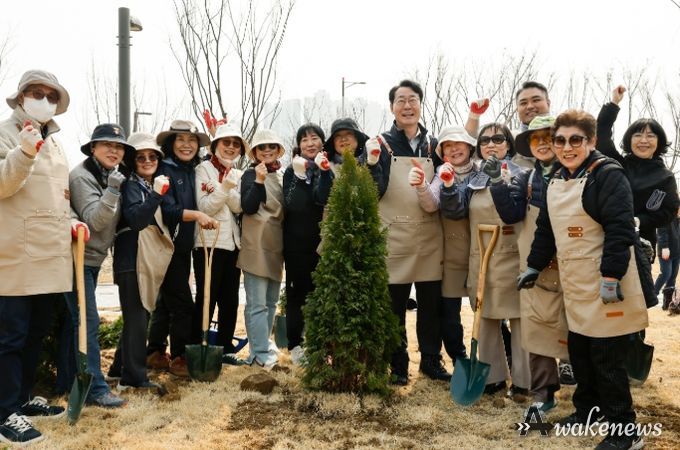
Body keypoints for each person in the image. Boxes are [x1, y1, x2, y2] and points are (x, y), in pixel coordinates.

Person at [519, 109, 648, 450]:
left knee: (606, 360)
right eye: (560, 140)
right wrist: (533, 266)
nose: (566, 147)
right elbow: (546, 229)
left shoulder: (607, 175)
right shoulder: (556, 179)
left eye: (575, 140)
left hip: (607, 283)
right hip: (575, 284)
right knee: (580, 354)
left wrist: (611, 276)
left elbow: (620, 229)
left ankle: (626, 433)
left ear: (591, 141)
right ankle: (589, 411)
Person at [0, 70, 84, 445]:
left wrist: (72, 220)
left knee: (35, 334)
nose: (45, 101)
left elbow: (57, 197)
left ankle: (21, 399)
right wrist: (23, 152)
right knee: (10, 338)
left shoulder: (56, 143)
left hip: (50, 254)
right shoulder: (6, 133)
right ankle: (4, 412)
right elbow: (3, 184)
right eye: (37, 93)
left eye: (52, 96)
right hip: (14, 255)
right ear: (21, 97)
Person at [365, 79, 448, 385]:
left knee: (431, 306)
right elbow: (371, 191)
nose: (407, 106)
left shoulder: (434, 146)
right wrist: (371, 163)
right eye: (400, 100)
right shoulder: (379, 144)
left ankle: (431, 360)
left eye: (413, 99)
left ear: (420, 105)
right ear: (392, 108)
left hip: (429, 237)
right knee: (393, 307)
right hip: (393, 236)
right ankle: (398, 364)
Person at [440, 122, 531, 400]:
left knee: (519, 318)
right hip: (482, 258)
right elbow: (456, 211)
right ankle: (492, 378)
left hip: (513, 257)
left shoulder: (522, 175)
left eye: (498, 139)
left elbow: (519, 213)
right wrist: (448, 187)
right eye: (485, 140)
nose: (491, 144)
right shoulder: (474, 179)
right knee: (486, 318)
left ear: (509, 144)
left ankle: (524, 380)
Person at [491, 115, 568, 412]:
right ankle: (544, 393)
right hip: (537, 261)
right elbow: (511, 215)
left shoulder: (579, 173)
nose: (543, 144)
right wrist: (497, 183)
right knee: (537, 323)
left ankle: (589, 391)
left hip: (574, 261)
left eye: (549, 137)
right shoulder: (526, 178)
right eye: (536, 139)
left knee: (580, 323)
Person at [68, 123, 135, 407]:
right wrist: (113, 190)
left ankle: (70, 381)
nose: (114, 150)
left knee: (75, 323)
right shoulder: (82, 176)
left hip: (93, 258)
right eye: (107, 144)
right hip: (76, 259)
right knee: (88, 322)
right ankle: (95, 389)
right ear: (93, 148)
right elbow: (95, 220)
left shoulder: (110, 174)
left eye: (119, 146)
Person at [146, 120, 217, 377]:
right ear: (170, 143)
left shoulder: (190, 170)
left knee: (166, 302)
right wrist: (197, 215)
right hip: (168, 246)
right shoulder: (164, 169)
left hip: (183, 246)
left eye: (192, 140)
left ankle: (154, 352)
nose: (186, 145)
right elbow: (168, 209)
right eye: (180, 139)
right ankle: (179, 358)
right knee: (183, 304)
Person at [108, 132, 169, 390]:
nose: (147, 161)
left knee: (136, 317)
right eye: (140, 157)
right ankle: (134, 379)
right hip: (132, 258)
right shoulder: (132, 186)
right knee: (137, 319)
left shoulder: (142, 185)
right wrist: (156, 195)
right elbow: (136, 220)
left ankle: (117, 370)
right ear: (132, 161)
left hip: (137, 258)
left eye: (152, 156)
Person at [597, 85, 680, 257]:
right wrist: (614, 103)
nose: (643, 140)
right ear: (629, 140)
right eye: (637, 135)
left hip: (641, 245)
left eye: (650, 136)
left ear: (659, 141)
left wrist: (639, 220)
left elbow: (668, 212)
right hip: (603, 240)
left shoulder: (665, 177)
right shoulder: (617, 164)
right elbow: (601, 134)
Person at [193, 123, 248, 365]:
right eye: (226, 142)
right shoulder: (202, 170)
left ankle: (225, 347)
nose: (231, 147)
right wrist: (225, 189)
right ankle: (199, 346)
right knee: (207, 296)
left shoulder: (238, 173)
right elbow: (205, 207)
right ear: (215, 146)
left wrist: (221, 190)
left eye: (236, 144)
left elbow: (239, 206)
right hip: (208, 242)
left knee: (230, 299)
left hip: (232, 244)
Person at [283, 123, 333, 365]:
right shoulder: (291, 171)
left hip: (324, 243)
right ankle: (295, 344)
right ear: (299, 145)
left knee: (321, 295)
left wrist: (324, 171)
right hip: (297, 244)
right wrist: (301, 176)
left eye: (314, 138)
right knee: (297, 295)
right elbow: (294, 204)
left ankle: (319, 344)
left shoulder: (328, 168)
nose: (310, 143)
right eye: (304, 140)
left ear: (323, 142)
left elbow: (323, 197)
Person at [239, 129, 286, 369]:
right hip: (255, 243)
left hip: (276, 244)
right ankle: (257, 353)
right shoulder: (249, 175)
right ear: (255, 153)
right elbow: (247, 207)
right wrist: (258, 181)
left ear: (278, 150)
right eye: (262, 147)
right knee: (256, 303)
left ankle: (264, 344)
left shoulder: (283, 177)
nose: (267, 151)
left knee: (270, 301)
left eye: (271, 147)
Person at [656, 208, 680, 310]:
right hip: (666, 251)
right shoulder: (666, 216)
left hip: (677, 252)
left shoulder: (678, 219)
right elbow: (661, 232)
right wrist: (664, 247)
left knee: (672, 276)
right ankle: (652, 295)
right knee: (666, 274)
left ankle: (668, 303)